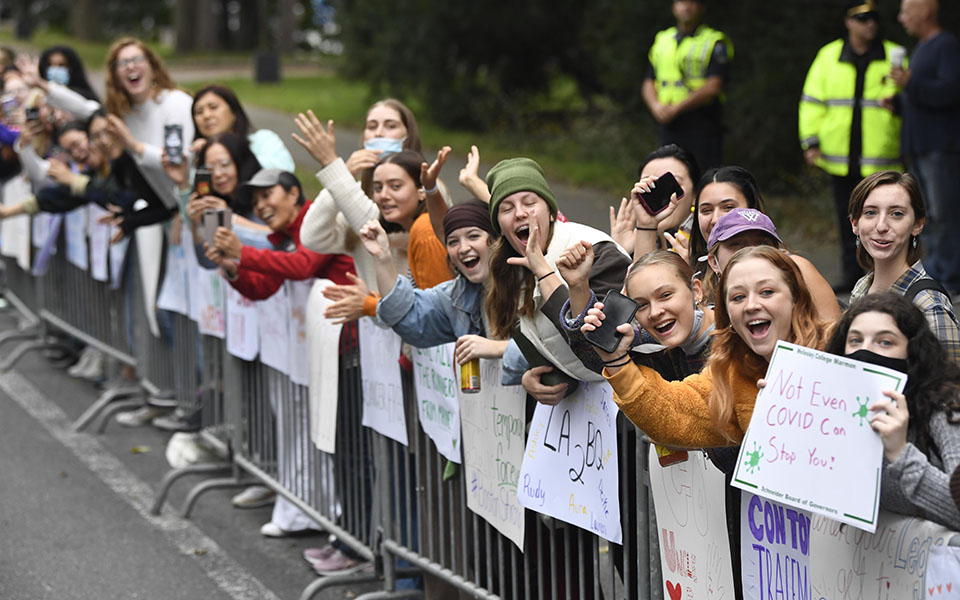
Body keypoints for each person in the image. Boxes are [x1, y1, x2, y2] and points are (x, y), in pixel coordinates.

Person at [205, 169, 355, 539]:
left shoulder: (316, 225)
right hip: (311, 353)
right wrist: (231, 268)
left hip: (347, 350)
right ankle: (315, 513)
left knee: (342, 443)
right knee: (308, 432)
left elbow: (303, 266)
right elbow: (263, 287)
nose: (261, 206)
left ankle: (344, 525)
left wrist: (245, 252)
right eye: (255, 201)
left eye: (267, 195)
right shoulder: (286, 237)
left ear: (293, 193)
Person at [586, 245, 829, 447]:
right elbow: (674, 414)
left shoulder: (837, 349)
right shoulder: (731, 371)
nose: (751, 305)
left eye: (766, 292)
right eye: (738, 297)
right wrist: (616, 361)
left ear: (796, 296)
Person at [483, 157, 631, 399]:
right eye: (507, 208)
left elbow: (601, 350)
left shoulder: (595, 250)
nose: (520, 213)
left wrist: (545, 273)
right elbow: (561, 356)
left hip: (630, 410)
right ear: (499, 226)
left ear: (551, 213)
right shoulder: (508, 271)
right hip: (589, 420)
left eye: (529, 203)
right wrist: (534, 379)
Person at [824, 292, 960, 531]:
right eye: (855, 341)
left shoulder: (946, 406)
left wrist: (901, 453)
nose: (865, 352)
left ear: (912, 352)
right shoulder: (835, 409)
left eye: (885, 342)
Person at [799, 0, 905, 292]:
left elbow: (910, 103)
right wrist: (811, 141)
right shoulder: (829, 56)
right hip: (840, 157)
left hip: (880, 159)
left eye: (873, 18)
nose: (869, 24)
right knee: (851, 219)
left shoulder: (893, 56)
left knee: (883, 222)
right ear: (848, 21)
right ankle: (852, 276)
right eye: (862, 19)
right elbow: (811, 101)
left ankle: (884, 277)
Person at [848, 170, 960, 362]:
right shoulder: (861, 288)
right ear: (855, 223)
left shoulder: (928, 303)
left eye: (897, 214)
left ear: (918, 224)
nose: (881, 225)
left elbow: (953, 385)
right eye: (870, 213)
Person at [887, 0, 960, 292]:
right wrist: (898, 104)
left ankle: (951, 276)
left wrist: (910, 83)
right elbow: (923, 97)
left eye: (906, 11)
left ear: (926, 11)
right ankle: (937, 272)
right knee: (926, 214)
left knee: (943, 214)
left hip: (940, 147)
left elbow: (950, 92)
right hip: (919, 147)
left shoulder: (946, 46)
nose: (901, 18)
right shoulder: (921, 48)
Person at [642, 0, 732, 172]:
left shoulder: (713, 42)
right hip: (669, 123)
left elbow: (713, 86)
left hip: (702, 123)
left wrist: (677, 108)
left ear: (702, 7)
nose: (687, 6)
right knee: (669, 178)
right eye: (682, 1)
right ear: (674, 6)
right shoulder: (663, 40)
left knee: (702, 178)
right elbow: (648, 81)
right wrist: (656, 106)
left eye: (693, 2)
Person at [705, 208, 841, 320]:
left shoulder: (799, 270)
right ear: (713, 262)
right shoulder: (704, 304)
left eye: (763, 244)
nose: (752, 252)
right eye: (737, 244)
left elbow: (832, 336)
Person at [609, 144, 701, 257]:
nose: (660, 195)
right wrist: (622, 253)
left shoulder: (709, 242)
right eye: (649, 186)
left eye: (671, 184)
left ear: (696, 194)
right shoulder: (634, 241)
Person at [190, 84, 294, 172]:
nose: (206, 115)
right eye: (199, 112)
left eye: (213, 107)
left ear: (234, 112)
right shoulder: (196, 155)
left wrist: (225, 153)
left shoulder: (263, 140)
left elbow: (284, 170)